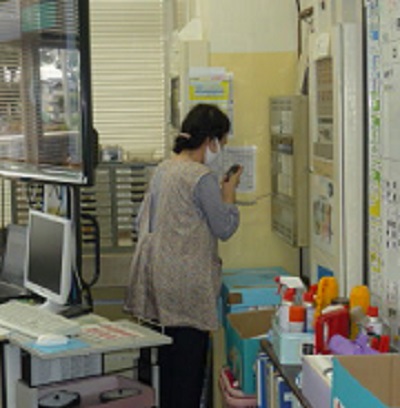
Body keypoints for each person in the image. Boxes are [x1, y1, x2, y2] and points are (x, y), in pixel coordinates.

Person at [125, 103, 242, 408]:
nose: (221, 149)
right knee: (188, 374)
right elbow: (224, 227)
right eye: (222, 141)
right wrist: (229, 194)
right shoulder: (201, 176)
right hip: (187, 288)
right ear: (210, 141)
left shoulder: (165, 168)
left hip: (158, 283)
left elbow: (144, 220)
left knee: (167, 371)